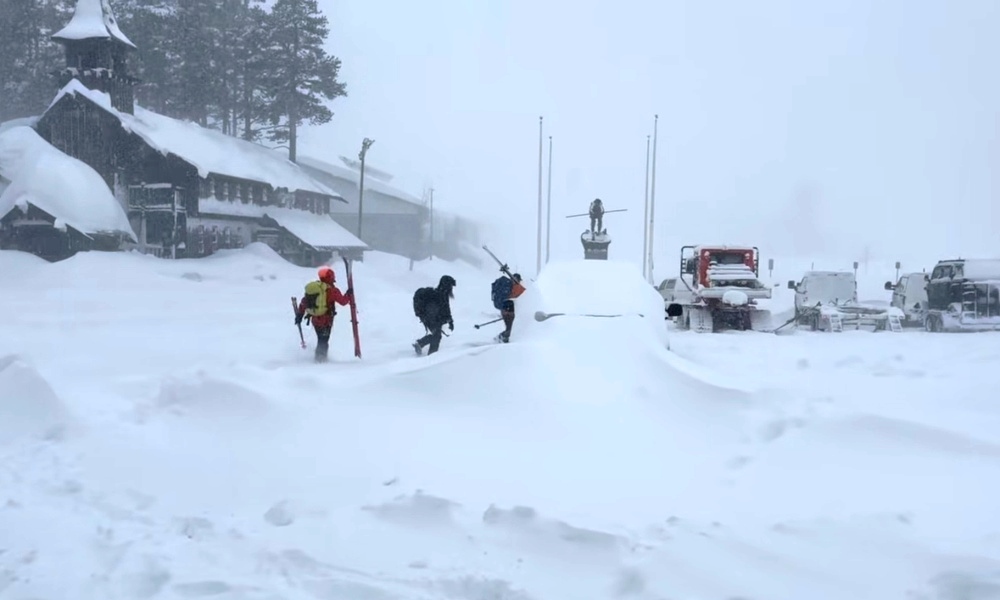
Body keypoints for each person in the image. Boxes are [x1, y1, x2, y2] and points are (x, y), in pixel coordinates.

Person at [295, 266, 352, 363]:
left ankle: (320, 359)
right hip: (326, 321)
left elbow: (304, 302)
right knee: (323, 341)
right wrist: (349, 294)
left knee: (321, 339)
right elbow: (343, 301)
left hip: (315, 320)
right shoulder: (332, 290)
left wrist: (299, 315)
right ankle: (320, 361)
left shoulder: (315, 289)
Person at [412, 275, 456, 356]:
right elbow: (433, 310)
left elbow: (446, 309)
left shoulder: (443, 294)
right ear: (446, 285)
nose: (451, 288)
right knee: (436, 336)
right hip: (430, 318)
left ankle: (429, 353)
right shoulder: (437, 295)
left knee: (436, 336)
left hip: (434, 319)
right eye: (450, 286)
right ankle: (429, 353)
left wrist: (450, 321)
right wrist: (435, 320)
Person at [491, 272, 525, 343]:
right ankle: (503, 338)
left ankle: (502, 337)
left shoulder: (509, 288)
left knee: (509, 327)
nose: (517, 281)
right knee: (510, 327)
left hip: (504, 307)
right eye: (517, 280)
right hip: (507, 307)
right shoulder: (508, 287)